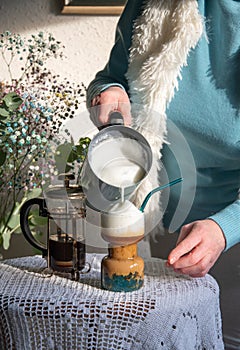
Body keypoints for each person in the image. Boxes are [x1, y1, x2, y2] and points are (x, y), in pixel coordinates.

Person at [86, 0, 240, 348]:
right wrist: (107, 93)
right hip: (161, 228)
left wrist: (225, 228)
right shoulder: (152, 3)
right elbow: (110, 79)